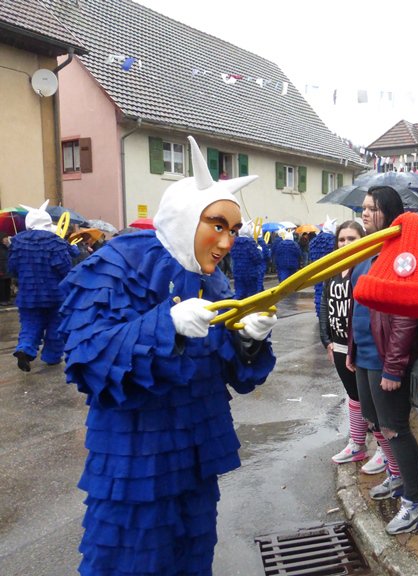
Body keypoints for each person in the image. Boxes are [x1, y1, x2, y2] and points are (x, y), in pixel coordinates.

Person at [58, 136, 278, 576]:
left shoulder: (212, 281)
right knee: (129, 559)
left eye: (233, 230)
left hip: (195, 457)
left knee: (192, 554)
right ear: (185, 218)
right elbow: (87, 358)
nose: (228, 241)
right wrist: (168, 324)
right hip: (135, 456)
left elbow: (232, 371)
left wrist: (248, 341)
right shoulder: (117, 264)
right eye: (218, 225)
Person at [347, 186, 418, 535]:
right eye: (363, 208)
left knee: (396, 429)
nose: (365, 213)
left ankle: (416, 502)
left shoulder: (399, 254)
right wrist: (352, 351)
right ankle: (396, 477)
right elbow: (358, 308)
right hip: (365, 356)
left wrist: (394, 366)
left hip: (385, 360)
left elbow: (405, 313)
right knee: (377, 424)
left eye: (372, 208)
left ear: (389, 212)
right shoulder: (368, 253)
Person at [319, 220, 386, 475]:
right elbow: (325, 304)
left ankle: (382, 448)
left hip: (358, 347)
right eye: (342, 239)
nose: (345, 244)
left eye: (352, 238)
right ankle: (357, 444)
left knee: (372, 402)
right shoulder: (334, 269)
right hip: (336, 345)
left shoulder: (366, 268)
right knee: (354, 397)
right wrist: (326, 339)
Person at [7, 200, 74, 371]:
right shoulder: (56, 241)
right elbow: (65, 269)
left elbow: (12, 268)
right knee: (55, 325)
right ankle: (52, 356)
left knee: (30, 323)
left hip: (28, 294)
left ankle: (25, 348)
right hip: (55, 294)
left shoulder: (17, 242)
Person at [230, 220, 265, 299]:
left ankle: (233, 307)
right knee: (252, 294)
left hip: (238, 272)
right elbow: (257, 259)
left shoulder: (234, 242)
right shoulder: (250, 243)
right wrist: (259, 250)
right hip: (250, 273)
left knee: (239, 292)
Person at [0, 233, 11, 305]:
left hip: (7, 268)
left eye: (7, 237)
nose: (7, 239)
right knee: (2, 285)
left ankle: (7, 299)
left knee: (7, 284)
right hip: (1, 269)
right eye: (5, 238)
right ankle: (3, 300)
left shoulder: (7, 247)